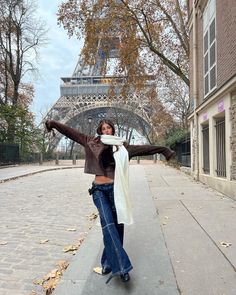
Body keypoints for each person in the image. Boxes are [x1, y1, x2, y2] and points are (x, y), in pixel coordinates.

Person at [45, 119, 175, 284]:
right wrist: (54, 124)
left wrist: (164, 150)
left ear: (113, 130)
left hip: (116, 190)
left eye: (109, 128)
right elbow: (71, 132)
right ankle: (121, 268)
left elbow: (147, 149)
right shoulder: (90, 141)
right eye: (103, 128)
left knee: (117, 227)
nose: (106, 130)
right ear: (100, 130)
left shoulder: (122, 146)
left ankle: (106, 263)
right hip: (99, 191)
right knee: (108, 225)